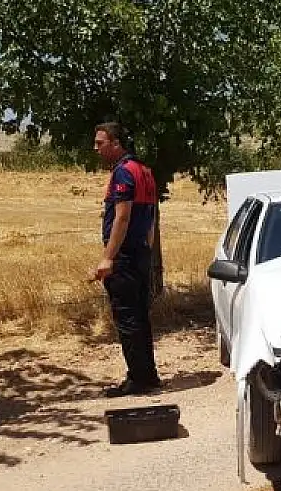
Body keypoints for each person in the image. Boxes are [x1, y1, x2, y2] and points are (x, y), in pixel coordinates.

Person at [91, 121, 162, 397]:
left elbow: (122, 216)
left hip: (125, 256)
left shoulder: (123, 173)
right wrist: (149, 245)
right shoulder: (144, 171)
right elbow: (152, 215)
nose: (96, 148)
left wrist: (108, 257)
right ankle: (148, 374)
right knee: (141, 317)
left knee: (127, 318)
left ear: (116, 143)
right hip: (141, 254)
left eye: (100, 143)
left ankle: (139, 379)